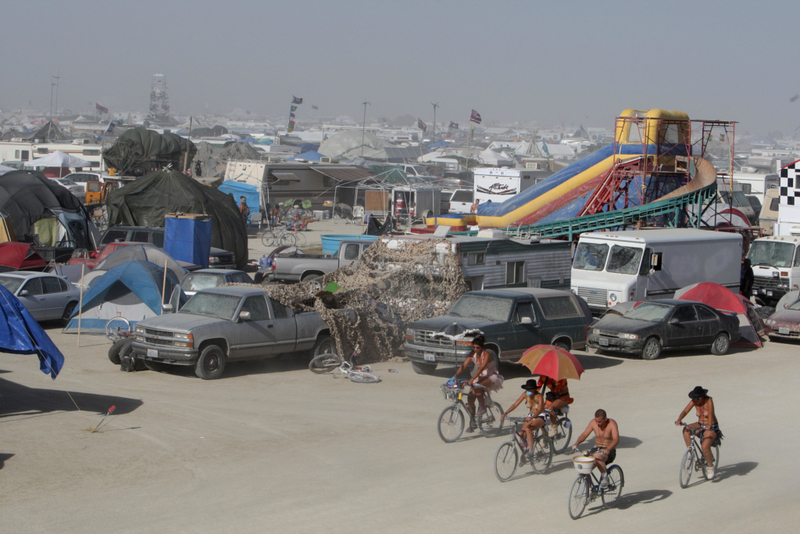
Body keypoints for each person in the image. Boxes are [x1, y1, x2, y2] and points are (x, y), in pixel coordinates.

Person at [453, 336, 504, 432]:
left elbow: (481, 368)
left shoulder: (487, 354)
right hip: (480, 377)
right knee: (470, 399)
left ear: (482, 347)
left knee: (476, 386)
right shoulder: (473, 354)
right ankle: (473, 423)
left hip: (491, 376)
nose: (475, 350)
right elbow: (463, 365)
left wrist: (472, 378)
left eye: (478, 347)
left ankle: (483, 407)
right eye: (474, 347)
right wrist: (454, 376)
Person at [675, 386, 722, 480]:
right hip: (701, 424)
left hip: (711, 426)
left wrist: (709, 425)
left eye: (699, 398)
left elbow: (711, 413)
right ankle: (690, 451)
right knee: (686, 429)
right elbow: (685, 410)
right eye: (695, 398)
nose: (697, 400)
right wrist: (679, 419)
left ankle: (710, 467)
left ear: (703, 396)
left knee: (705, 447)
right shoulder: (694, 401)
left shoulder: (709, 400)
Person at [571, 409, 619, 488]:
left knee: (597, 456)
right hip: (596, 448)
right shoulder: (593, 423)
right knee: (585, 468)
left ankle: (605, 478)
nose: (597, 423)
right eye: (596, 421)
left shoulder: (612, 424)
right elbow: (584, 434)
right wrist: (576, 443)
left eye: (600, 421)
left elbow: (616, 439)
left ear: (605, 419)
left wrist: (608, 449)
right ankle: (590, 492)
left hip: (608, 450)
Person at [500, 379, 547, 457]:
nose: (528, 391)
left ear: (535, 389)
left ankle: (531, 452)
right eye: (527, 389)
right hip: (530, 416)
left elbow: (539, 410)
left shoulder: (539, 396)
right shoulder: (525, 394)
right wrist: (505, 413)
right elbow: (516, 404)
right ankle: (525, 452)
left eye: (530, 389)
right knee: (522, 434)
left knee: (528, 428)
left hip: (540, 416)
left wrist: (532, 417)